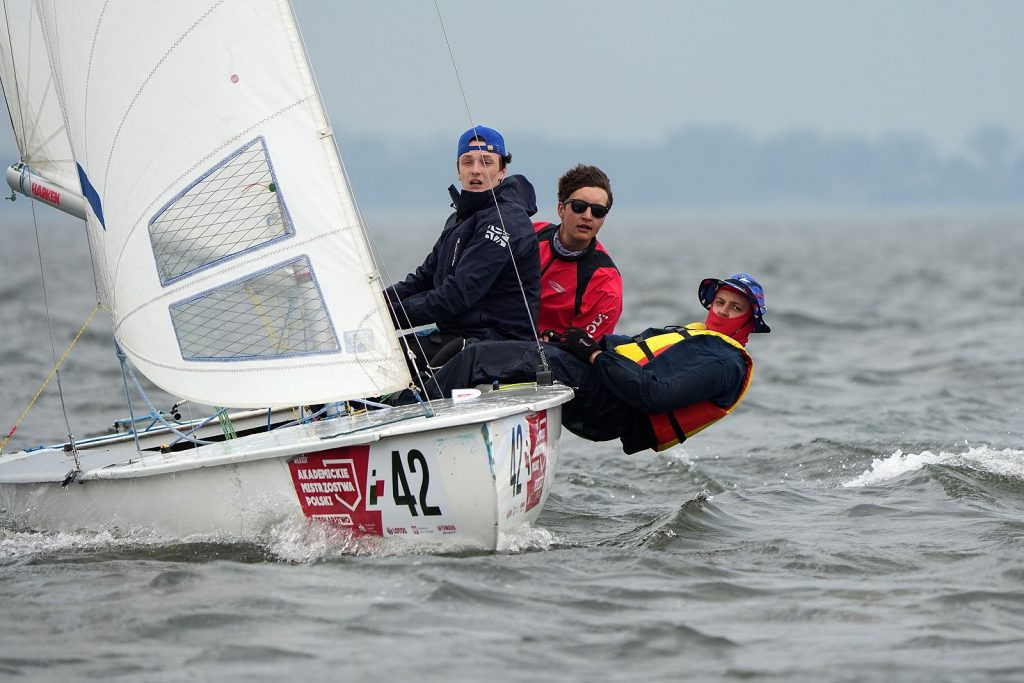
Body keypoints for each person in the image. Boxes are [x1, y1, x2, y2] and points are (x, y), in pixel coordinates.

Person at [410, 273, 770, 454]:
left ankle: (410, 423)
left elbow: (653, 394)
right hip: (601, 386)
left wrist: (592, 354)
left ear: (749, 322)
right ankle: (412, 407)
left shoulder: (726, 363)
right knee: (478, 345)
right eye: (719, 303)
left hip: (610, 408)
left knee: (476, 357)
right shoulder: (697, 336)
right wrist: (575, 343)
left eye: (734, 308)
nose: (722, 311)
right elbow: (627, 348)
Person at [385, 125, 541, 372]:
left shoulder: (504, 220)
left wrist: (383, 320)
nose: (476, 170)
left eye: (486, 162)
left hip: (500, 348)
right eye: (467, 162)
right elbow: (422, 280)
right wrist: (373, 305)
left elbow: (457, 295)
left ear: (502, 171)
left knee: (382, 361)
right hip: (463, 337)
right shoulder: (460, 219)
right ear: (458, 171)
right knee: (375, 348)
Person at [533, 164, 623, 341]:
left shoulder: (606, 283)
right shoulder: (529, 235)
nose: (588, 216)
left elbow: (580, 351)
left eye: (598, 211)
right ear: (561, 209)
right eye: (579, 206)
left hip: (548, 358)